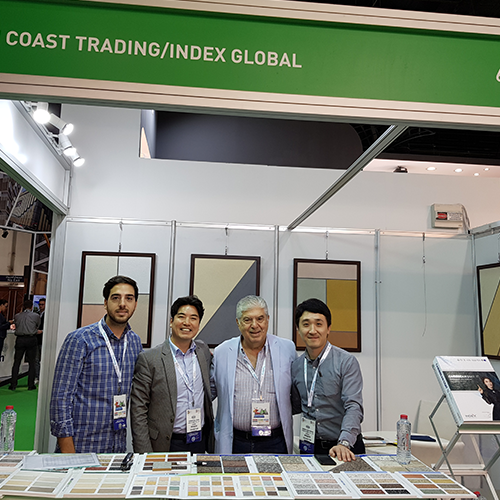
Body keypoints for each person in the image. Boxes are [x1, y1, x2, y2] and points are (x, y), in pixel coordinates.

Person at [50, 276, 143, 453]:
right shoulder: (80, 340)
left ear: (135, 304)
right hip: (82, 446)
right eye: (116, 298)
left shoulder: (134, 342)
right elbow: (60, 399)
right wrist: (69, 454)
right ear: (105, 303)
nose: (122, 304)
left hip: (117, 446)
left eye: (129, 298)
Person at [211, 295, 296, 454]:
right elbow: (208, 392)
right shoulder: (222, 352)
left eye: (260, 318)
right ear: (238, 323)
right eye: (247, 320)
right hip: (235, 442)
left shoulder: (287, 349)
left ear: (268, 320)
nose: (255, 325)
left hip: (275, 442)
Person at [131, 295, 214, 453]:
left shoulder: (203, 351)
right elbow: (138, 410)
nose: (187, 322)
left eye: (193, 318)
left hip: (199, 439)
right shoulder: (150, 359)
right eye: (181, 316)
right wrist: (144, 453)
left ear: (198, 324)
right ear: (171, 321)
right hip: (166, 443)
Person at [291, 298, 364, 462]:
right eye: (306, 324)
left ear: (328, 328)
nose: (312, 330)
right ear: (298, 329)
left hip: (344, 448)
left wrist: (344, 443)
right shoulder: (296, 366)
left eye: (319, 324)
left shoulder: (346, 362)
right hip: (309, 447)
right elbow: (294, 405)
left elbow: (354, 406)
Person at [10, 299, 40, 391]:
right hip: (31, 339)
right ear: (32, 306)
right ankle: (30, 385)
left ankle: (13, 384)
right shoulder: (36, 316)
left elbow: (16, 325)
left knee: (17, 362)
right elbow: (37, 326)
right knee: (32, 362)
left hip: (20, 339)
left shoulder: (17, 316)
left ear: (23, 306)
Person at [35, 297, 45, 383]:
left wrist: (42, 331)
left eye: (42, 304)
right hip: (36, 339)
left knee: (43, 359)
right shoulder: (36, 314)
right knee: (36, 359)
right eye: (40, 304)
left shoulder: (48, 314)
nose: (41, 306)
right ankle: (37, 376)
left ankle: (43, 376)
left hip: (44, 339)